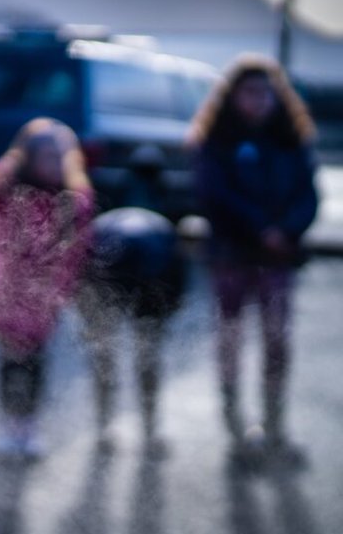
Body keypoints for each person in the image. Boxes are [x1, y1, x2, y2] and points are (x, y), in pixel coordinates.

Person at [187, 54, 318, 465]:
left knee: (277, 339)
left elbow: (309, 195)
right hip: (233, 253)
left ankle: (275, 426)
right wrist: (260, 228)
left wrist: (287, 230)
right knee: (231, 337)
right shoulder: (216, 141)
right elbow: (213, 195)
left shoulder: (291, 140)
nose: (258, 100)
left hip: (278, 257)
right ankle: (234, 428)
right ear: (232, 96)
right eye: (250, 92)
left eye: (265, 92)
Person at [0, 118, 94, 458]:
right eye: (46, 155)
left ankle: (29, 424)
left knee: (36, 361)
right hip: (6, 292)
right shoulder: (3, 191)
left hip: (44, 296)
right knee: (8, 360)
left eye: (58, 156)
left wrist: (59, 289)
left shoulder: (72, 199)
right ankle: (8, 424)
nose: (52, 163)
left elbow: (74, 251)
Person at [77, 206, 186, 455]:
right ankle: (144, 430)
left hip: (124, 271)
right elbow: (177, 286)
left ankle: (109, 429)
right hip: (118, 272)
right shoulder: (162, 241)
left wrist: (87, 313)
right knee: (135, 356)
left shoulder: (157, 244)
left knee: (111, 356)